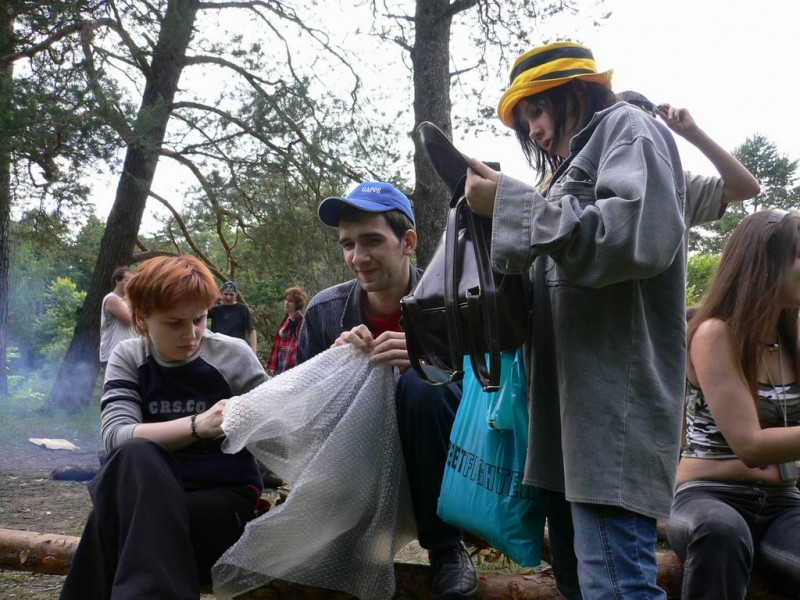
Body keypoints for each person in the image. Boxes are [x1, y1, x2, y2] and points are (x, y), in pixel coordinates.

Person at [465, 42, 686, 598]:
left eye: (538, 110)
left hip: (609, 413)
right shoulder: (562, 172)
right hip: (564, 419)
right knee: (582, 583)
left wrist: (512, 206)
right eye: (525, 121)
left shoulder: (628, 129)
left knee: (616, 586)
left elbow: (631, 238)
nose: (534, 130)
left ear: (578, 92)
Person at [296, 182, 478, 599]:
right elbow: (301, 413)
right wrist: (334, 370)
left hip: (442, 467)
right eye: (348, 244)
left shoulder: (453, 304)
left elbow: (491, 396)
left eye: (372, 241)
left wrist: (430, 359)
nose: (358, 257)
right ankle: (351, 538)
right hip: (359, 473)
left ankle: (446, 547)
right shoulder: (325, 312)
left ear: (408, 242)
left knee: (424, 385)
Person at [60, 255, 268, 600]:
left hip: (223, 504)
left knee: (110, 519)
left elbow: (278, 428)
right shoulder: (129, 356)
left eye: (199, 319)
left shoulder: (233, 356)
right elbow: (115, 437)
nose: (191, 334)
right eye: (174, 323)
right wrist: (197, 425)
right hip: (146, 497)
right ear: (142, 319)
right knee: (136, 453)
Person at [666, 209, 800, 599]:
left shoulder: (794, 336)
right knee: (721, 531)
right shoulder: (714, 334)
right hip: (707, 497)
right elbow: (750, 446)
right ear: (765, 262)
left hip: (784, 503)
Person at [617, 90, 761, 229]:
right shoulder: (601, 181)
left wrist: (692, 132)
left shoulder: (678, 186)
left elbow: (746, 188)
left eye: (647, 126)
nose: (637, 136)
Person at [265, 286, 307, 376]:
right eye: (286, 300)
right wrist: (272, 366)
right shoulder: (285, 320)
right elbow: (277, 345)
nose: (287, 303)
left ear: (297, 304)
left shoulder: (300, 321)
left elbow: (298, 346)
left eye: (290, 301)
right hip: (280, 364)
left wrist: (293, 367)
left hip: (290, 367)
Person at [99, 266, 136, 367]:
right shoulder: (112, 299)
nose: (130, 284)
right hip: (113, 354)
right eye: (127, 281)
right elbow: (130, 320)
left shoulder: (127, 301)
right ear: (118, 281)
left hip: (127, 354)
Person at [208, 281, 258, 353]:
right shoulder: (215, 310)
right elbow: (200, 314)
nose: (228, 297)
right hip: (217, 349)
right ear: (222, 294)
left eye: (231, 295)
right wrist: (216, 299)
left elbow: (252, 331)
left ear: (236, 295)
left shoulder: (242, 309)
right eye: (226, 294)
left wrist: (253, 353)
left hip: (236, 350)